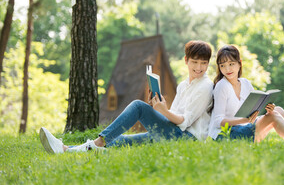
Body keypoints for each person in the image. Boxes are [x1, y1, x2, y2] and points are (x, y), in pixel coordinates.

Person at [40, 40, 213, 153]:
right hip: (174, 133)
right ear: (186, 60)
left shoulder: (205, 86)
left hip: (188, 141)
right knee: (120, 140)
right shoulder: (184, 85)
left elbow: (184, 122)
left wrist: (163, 111)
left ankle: (97, 144)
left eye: (204, 63)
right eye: (195, 62)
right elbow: (173, 119)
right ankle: (65, 149)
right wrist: (157, 108)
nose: (199, 67)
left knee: (138, 107)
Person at [208, 45, 284, 143]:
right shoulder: (222, 86)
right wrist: (245, 120)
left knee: (277, 110)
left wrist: (269, 108)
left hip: (245, 127)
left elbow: (256, 108)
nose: (227, 69)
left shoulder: (245, 83)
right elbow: (217, 122)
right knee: (273, 116)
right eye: (222, 65)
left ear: (239, 63)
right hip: (227, 134)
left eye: (231, 64)